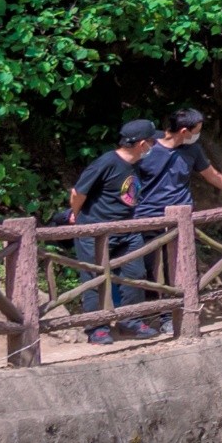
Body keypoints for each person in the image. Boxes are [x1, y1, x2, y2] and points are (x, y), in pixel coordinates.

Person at [68, 121, 159, 338]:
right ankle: (96, 327)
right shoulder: (107, 162)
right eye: (152, 141)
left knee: (135, 275)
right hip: (96, 231)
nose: (154, 145)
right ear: (142, 144)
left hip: (127, 229)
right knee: (94, 278)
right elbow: (77, 193)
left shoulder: (136, 164)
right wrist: (77, 216)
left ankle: (131, 321)